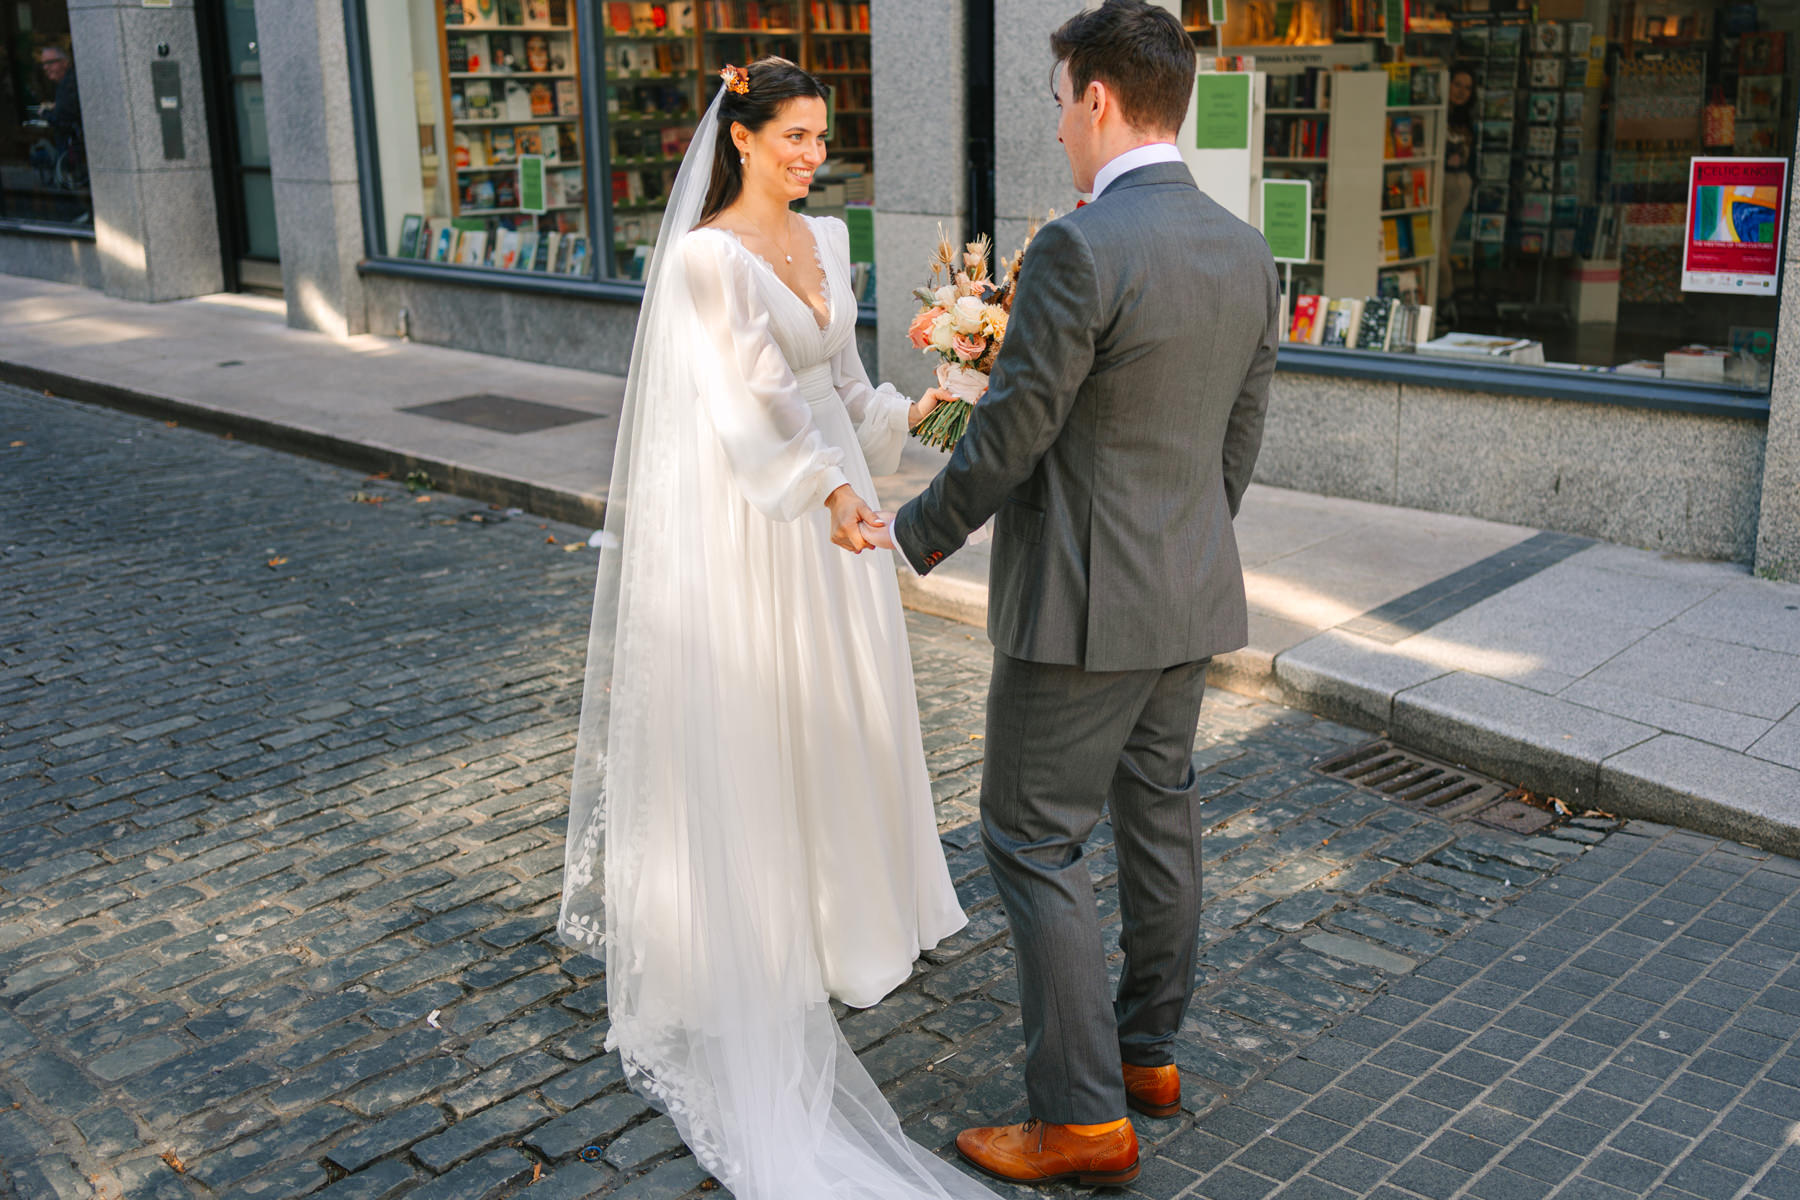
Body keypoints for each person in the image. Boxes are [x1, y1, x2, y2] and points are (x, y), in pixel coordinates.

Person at [557, 57, 1002, 1200]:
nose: (811, 154)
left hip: (838, 502)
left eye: (821, 135)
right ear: (741, 138)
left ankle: (854, 925)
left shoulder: (829, 244)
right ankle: (770, 939)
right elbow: (750, 402)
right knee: (774, 708)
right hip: (768, 517)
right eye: (793, 136)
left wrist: (938, 404)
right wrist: (834, 495)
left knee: (845, 704)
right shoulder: (709, 260)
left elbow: (847, 388)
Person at [863, 0, 1278, 1186]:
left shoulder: (1081, 248)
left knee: (1033, 840)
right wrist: (1186, 545)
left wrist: (913, 534)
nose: (1054, 127)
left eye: (1056, 103)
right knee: (1160, 814)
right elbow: (1234, 448)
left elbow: (1010, 436)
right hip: (1190, 590)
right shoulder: (1246, 251)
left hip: (1082, 609)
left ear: (1098, 98)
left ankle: (1084, 1116)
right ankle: (1148, 1053)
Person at [1440, 65, 1476, 312]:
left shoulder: (1467, 120)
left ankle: (1443, 298)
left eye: (1467, 88)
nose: (1461, 92)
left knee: (1443, 242)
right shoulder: (1438, 112)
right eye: (1457, 85)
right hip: (1438, 180)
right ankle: (1445, 295)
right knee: (1438, 242)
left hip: (1458, 182)